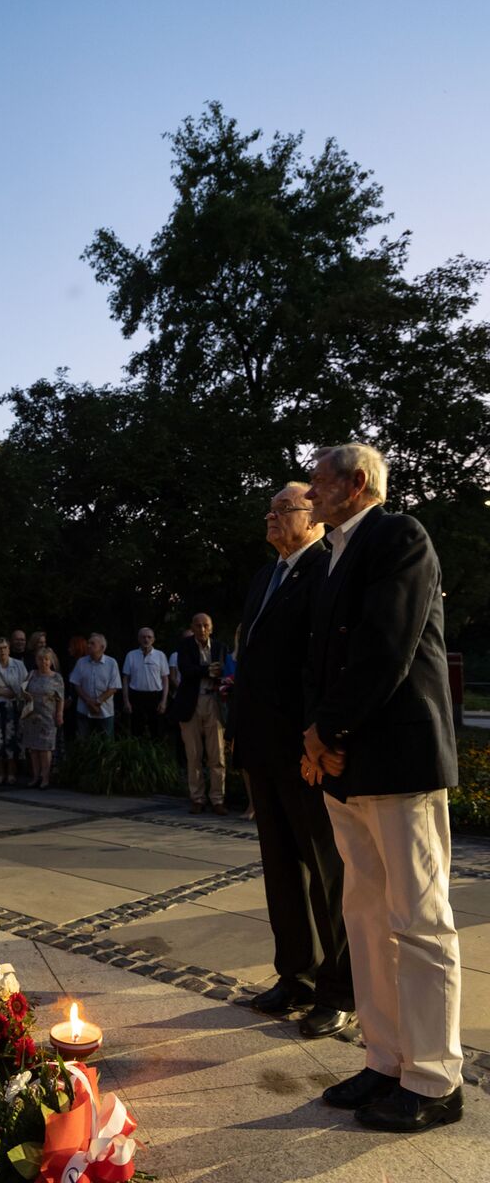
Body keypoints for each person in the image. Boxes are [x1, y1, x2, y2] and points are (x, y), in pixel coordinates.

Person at [302, 443, 462, 1133]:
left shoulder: (399, 535)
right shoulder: (335, 551)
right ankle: (386, 1058)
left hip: (398, 759)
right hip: (353, 763)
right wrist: (317, 738)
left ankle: (434, 1078)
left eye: (318, 479)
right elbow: (326, 655)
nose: (310, 492)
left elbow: (384, 646)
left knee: (419, 921)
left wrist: (329, 730)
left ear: (355, 483)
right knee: (365, 917)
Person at [228, 484, 354, 1038]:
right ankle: (294, 975)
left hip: (303, 749)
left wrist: (318, 736)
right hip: (262, 747)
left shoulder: (327, 569)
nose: (271, 517)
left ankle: (340, 989)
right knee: (281, 871)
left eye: (284, 509)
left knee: (327, 873)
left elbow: (323, 663)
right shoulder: (265, 574)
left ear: (314, 518)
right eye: (271, 509)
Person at [173, 614, 227, 814]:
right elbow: (186, 670)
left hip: (214, 702)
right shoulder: (185, 646)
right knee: (194, 754)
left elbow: (226, 671)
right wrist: (207, 671)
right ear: (192, 627)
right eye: (198, 625)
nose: (202, 629)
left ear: (211, 628)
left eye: (206, 625)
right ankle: (197, 798)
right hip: (191, 704)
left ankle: (218, 799)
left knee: (217, 754)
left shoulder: (220, 647)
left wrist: (218, 672)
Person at [0, 637, 28, 783]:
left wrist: (10, 691)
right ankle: (0, 773)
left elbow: (25, 686)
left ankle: (11, 773)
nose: (2, 651)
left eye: (5, 648)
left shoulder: (19, 665)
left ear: (9, 649)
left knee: (12, 740)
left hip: (14, 708)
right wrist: (1, 692)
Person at [20, 647, 65, 789]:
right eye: (40, 659)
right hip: (32, 716)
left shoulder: (56, 677)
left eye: (46, 659)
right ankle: (35, 776)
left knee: (45, 749)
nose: (43, 662)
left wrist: (59, 714)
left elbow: (61, 698)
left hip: (48, 716)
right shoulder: (32, 674)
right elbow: (23, 690)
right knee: (33, 748)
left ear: (50, 661)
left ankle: (45, 777)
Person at [70, 634, 121, 738]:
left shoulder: (111, 663)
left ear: (102, 647)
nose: (88, 645)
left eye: (92, 643)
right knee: (83, 742)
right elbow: (76, 684)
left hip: (105, 711)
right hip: (84, 710)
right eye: (88, 643)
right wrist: (88, 701)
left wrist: (97, 701)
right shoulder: (81, 662)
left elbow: (113, 687)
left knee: (106, 745)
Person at [122, 628, 170, 738]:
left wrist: (164, 701)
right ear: (139, 639)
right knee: (136, 730)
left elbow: (165, 679)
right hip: (136, 696)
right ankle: (138, 754)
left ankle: (157, 754)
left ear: (153, 639)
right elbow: (125, 679)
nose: (146, 639)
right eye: (143, 637)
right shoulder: (131, 655)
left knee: (157, 730)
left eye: (149, 637)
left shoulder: (160, 655)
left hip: (155, 696)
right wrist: (126, 701)